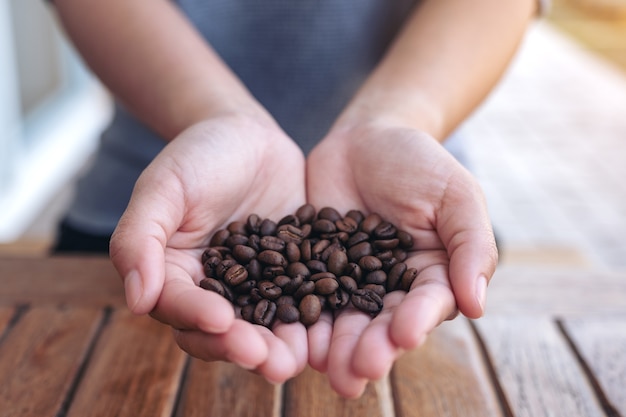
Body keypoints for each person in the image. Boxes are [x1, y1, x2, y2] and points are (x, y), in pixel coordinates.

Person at [50, 0, 542, 398]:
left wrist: (398, 118)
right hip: (175, 231)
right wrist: (214, 115)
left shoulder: (380, 250)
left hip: (416, 218)